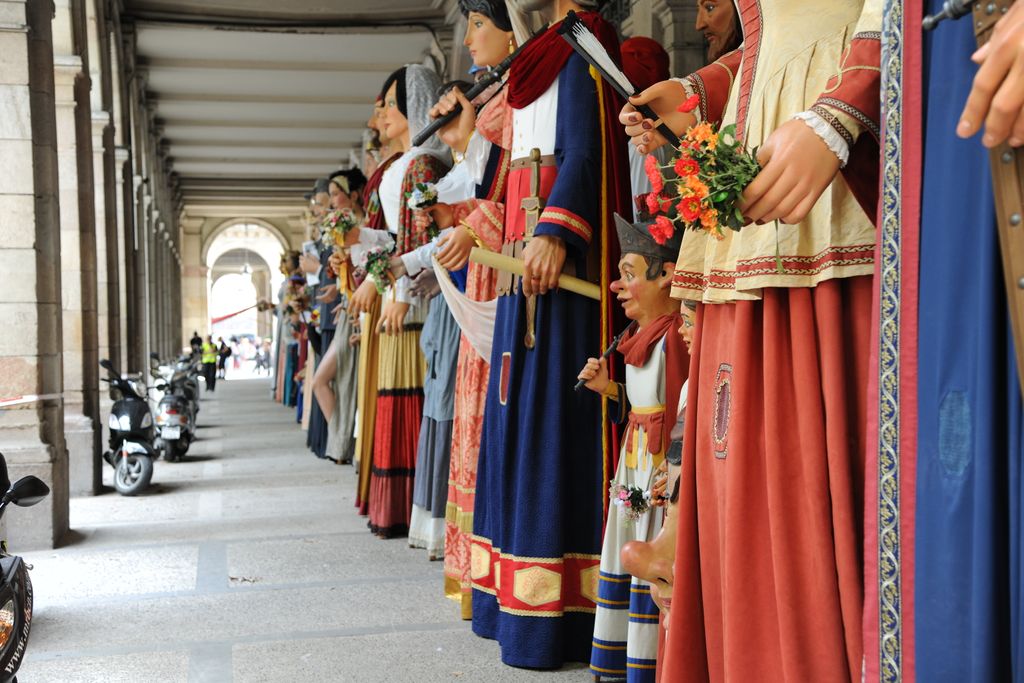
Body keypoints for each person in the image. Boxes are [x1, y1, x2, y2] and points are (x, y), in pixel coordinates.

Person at [620, 0, 881, 679]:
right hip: (770, 135)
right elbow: (773, 30)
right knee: (742, 444)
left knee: (803, 441)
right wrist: (695, 92)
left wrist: (846, 105)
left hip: (821, 145)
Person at [466, 0, 631, 669]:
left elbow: (587, 152)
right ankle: (509, 598)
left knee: (553, 420)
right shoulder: (526, 70)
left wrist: (557, 230)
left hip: (557, 271)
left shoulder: (579, 51)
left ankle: (559, 611)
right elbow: (500, 182)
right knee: (514, 419)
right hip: (518, 268)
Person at [577, 214, 689, 682]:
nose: (617, 285)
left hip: (658, 472)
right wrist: (611, 392)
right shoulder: (640, 338)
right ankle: (623, 657)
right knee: (624, 546)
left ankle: (649, 662)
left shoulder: (675, 339)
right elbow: (643, 405)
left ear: (665, 275)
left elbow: (679, 412)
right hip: (634, 463)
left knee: (648, 545)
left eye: (628, 272)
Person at [351, 64, 450, 538]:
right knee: (396, 393)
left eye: (392, 102)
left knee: (407, 391)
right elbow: (395, 236)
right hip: (400, 287)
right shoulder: (410, 162)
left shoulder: (424, 163)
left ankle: (406, 503)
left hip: (416, 296)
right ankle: (394, 506)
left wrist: (400, 294)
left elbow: (417, 236)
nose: (384, 114)